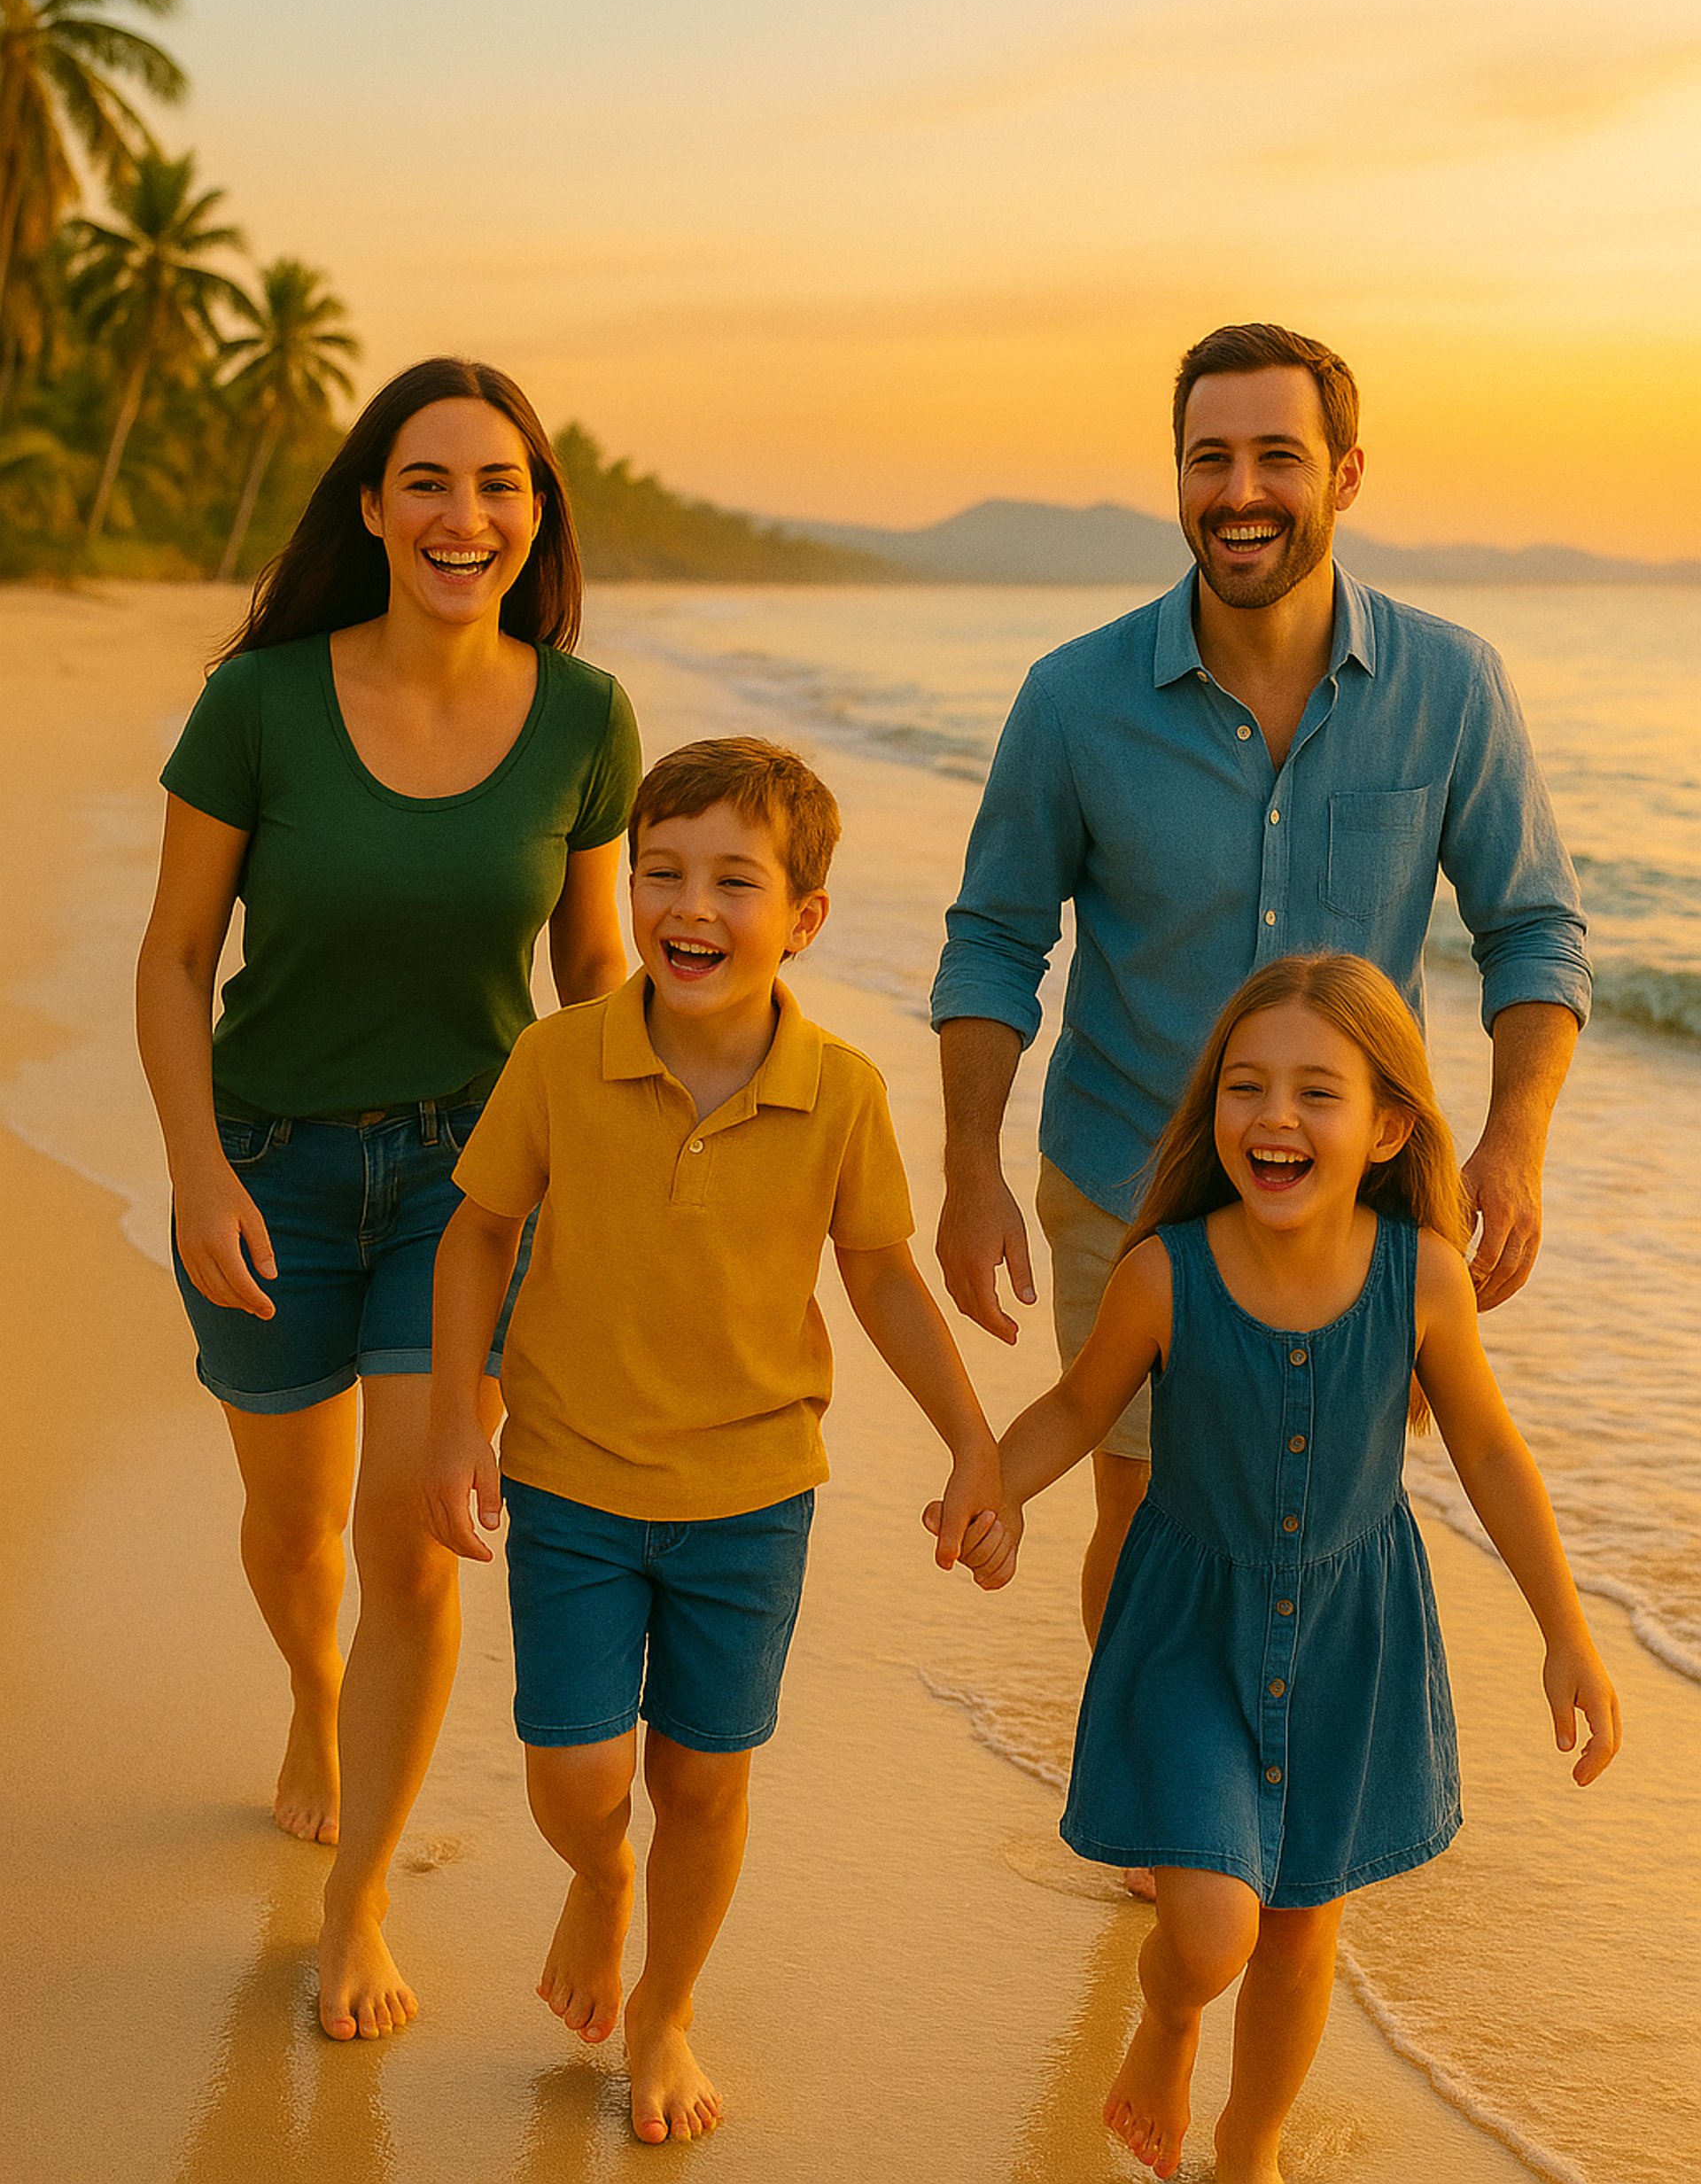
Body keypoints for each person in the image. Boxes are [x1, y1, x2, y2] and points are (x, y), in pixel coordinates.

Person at [930, 322, 1591, 1891]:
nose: (1241, 492)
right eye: (1209, 458)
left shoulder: (1451, 687)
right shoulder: (1075, 698)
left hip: (1362, 1209)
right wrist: (965, 1162)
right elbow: (995, 935)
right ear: (1178, 478)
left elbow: (1536, 927)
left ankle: (1278, 1802)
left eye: (1275, 456)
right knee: (1155, 1514)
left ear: (1344, 474)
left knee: (1321, 1516)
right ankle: (1180, 1807)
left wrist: (1514, 1135)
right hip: (1128, 1179)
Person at [136, 358, 641, 2042]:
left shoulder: (582, 717)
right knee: (295, 1537)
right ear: (373, 506)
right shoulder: (263, 703)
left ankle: (355, 1907)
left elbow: (593, 970)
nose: (464, 518)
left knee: (418, 1548)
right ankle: (310, 1695)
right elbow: (174, 959)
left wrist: (622, 1174)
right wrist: (198, 1171)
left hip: (469, 1175)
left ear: (533, 521)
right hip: (269, 1164)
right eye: (429, 482)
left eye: (500, 489)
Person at [940, 953, 1619, 2181]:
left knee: (1303, 1930)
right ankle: (1172, 2015)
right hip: (1192, 1634)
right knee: (1208, 1930)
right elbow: (1075, 1409)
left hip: (1352, 1642)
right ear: (1214, 1114)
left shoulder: (1422, 1274)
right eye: (1245, 1087)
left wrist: (1565, 1630)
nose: (1275, 1117)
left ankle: (1248, 2152)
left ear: (1387, 1126)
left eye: (1317, 1092)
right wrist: (991, 1484)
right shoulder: (1165, 1273)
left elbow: (1491, 1451)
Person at [423, 737, 1004, 2147]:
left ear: (802, 918)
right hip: (568, 1470)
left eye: (733, 881)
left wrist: (973, 1445)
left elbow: (878, 1278)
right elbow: (479, 1234)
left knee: (703, 1777)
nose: (689, 907)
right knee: (578, 1773)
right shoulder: (560, 1059)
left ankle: (666, 2013)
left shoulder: (844, 1089)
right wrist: (459, 1415)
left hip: (752, 1496)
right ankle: (597, 1878)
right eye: (660, 873)